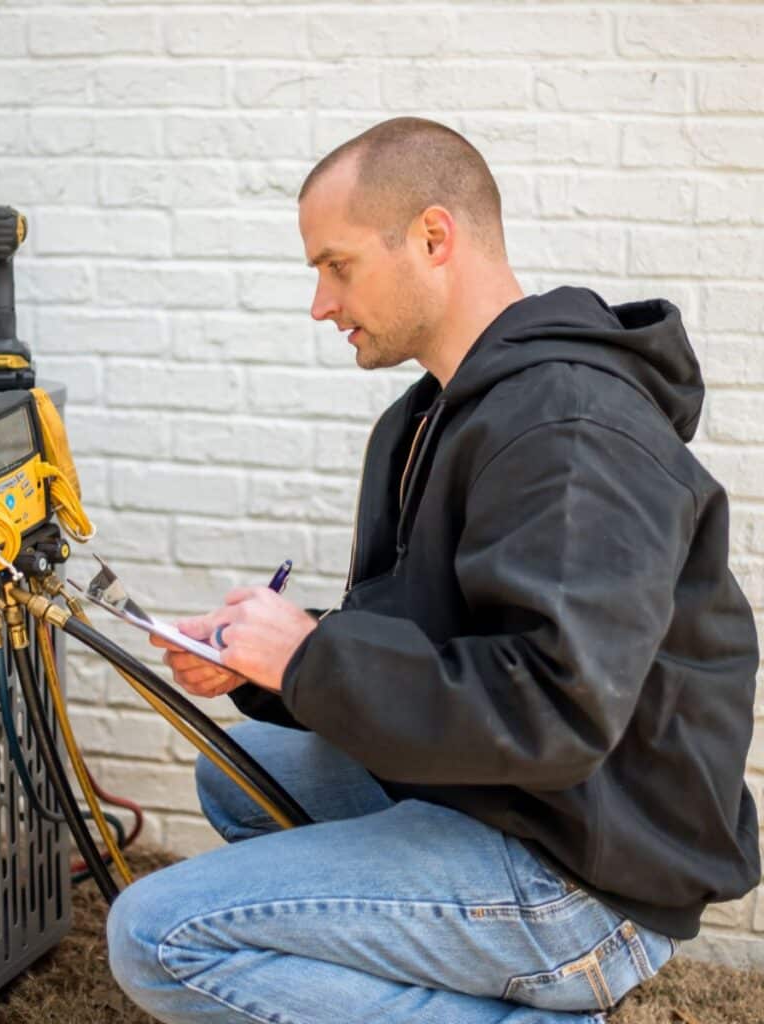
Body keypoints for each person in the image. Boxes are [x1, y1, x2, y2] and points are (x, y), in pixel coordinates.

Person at [105, 117, 761, 1023]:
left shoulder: (572, 429)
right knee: (239, 767)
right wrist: (269, 667)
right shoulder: (426, 420)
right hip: (508, 797)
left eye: (337, 266)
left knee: (155, 936)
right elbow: (425, 651)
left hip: (583, 866)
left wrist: (309, 659)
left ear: (432, 237)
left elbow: (554, 711)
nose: (321, 305)